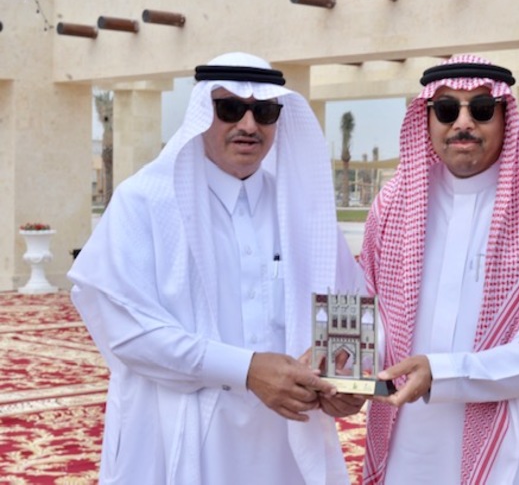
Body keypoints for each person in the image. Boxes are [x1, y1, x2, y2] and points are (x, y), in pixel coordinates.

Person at [68, 52, 364, 484]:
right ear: (202, 112)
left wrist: (346, 382)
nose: (248, 125)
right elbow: (129, 331)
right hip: (180, 430)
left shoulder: (303, 211)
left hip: (285, 438)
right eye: (230, 109)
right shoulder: (145, 202)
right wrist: (247, 370)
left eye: (264, 112)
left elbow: (348, 307)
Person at [359, 54, 519, 484]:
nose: (463, 123)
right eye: (446, 109)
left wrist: (446, 374)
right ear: (427, 118)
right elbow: (372, 314)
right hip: (412, 439)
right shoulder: (391, 209)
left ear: (504, 115)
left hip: (518, 440)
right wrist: (345, 364)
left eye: (481, 108)